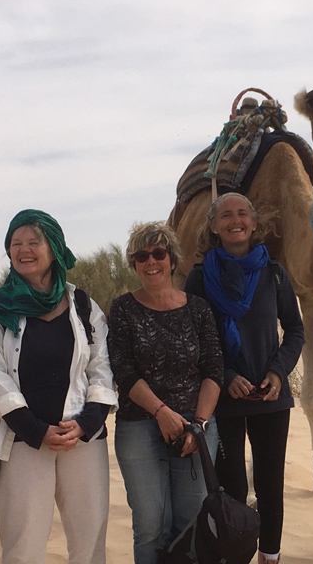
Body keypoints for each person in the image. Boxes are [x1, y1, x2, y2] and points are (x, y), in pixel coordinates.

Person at [0, 209, 117, 564]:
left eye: (33, 242)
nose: (23, 250)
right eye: (15, 243)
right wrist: (37, 431)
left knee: (90, 541)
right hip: (24, 443)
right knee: (23, 546)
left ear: (54, 248)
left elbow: (102, 368)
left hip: (83, 441)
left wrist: (87, 423)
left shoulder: (83, 305)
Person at [185, 192, 304, 564]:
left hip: (271, 399)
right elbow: (193, 339)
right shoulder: (200, 278)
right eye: (225, 215)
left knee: (270, 487)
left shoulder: (274, 273)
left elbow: (296, 331)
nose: (234, 220)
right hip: (222, 400)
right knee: (231, 488)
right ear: (213, 226)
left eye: (241, 214)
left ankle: (270, 557)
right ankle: (233, 556)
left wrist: (277, 371)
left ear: (254, 223)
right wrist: (226, 375)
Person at [107, 222, 223, 564]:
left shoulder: (198, 309)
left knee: (191, 522)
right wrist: (162, 412)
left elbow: (213, 370)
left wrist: (198, 424)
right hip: (140, 427)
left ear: (172, 260)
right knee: (149, 527)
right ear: (134, 264)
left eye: (158, 253)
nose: (151, 261)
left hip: (196, 428)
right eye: (142, 256)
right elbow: (123, 371)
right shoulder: (123, 309)